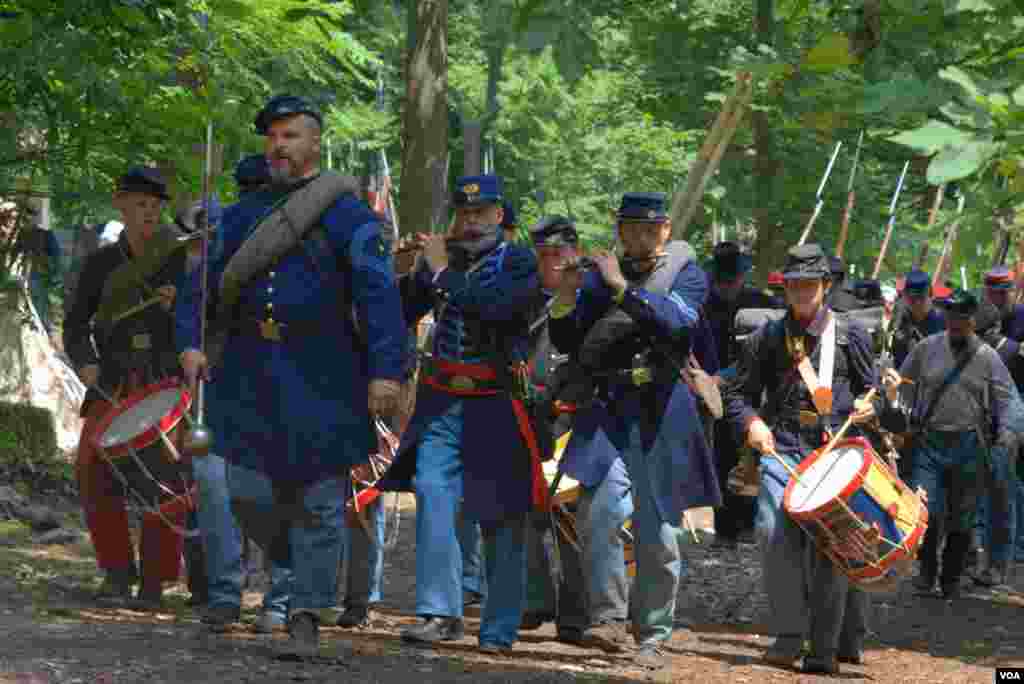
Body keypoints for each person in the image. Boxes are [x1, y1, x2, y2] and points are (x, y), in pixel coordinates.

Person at [177, 95, 409, 658]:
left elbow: (378, 295)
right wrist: (189, 342)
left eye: (290, 137)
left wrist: (386, 371)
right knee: (246, 490)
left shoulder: (349, 217)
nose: (278, 147)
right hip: (251, 373)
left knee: (321, 501)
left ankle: (306, 613)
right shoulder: (243, 214)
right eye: (272, 137)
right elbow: (199, 283)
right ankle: (299, 564)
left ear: (313, 143)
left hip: (325, 375)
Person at [548, 192, 721, 669]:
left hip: (662, 409)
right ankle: (607, 620)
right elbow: (572, 340)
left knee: (657, 529)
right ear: (618, 228)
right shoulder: (602, 275)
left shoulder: (685, 274)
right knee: (597, 513)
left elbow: (678, 328)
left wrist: (623, 288)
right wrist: (566, 295)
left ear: (665, 230)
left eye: (651, 229)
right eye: (632, 228)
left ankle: (653, 633)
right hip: (609, 408)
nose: (642, 237)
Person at [379, 174, 542, 653]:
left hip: (496, 402)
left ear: (498, 215)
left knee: (501, 516)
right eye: (464, 214)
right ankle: (439, 612)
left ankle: (499, 627)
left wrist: (441, 273)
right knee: (431, 494)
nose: (471, 223)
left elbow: (497, 309)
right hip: (441, 401)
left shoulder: (519, 261)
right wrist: (407, 273)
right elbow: (398, 315)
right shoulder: (441, 260)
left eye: (481, 214)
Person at [722, 243, 888, 675]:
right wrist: (752, 424)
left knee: (832, 547)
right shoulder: (768, 337)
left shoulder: (851, 335)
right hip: (784, 446)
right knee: (771, 529)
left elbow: (877, 392)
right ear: (785, 288)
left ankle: (824, 647)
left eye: (809, 284)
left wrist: (874, 407)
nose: (801, 292)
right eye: (794, 284)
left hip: (835, 450)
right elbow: (736, 394)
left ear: (825, 286)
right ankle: (788, 635)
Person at [64, 166, 190, 610]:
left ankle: (154, 582)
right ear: (120, 204)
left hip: (165, 378)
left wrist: (182, 307)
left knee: (167, 477)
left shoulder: (182, 259)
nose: (150, 213)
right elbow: (76, 326)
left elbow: (205, 319)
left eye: (156, 206)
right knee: (90, 469)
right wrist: (88, 367)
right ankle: (117, 572)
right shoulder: (99, 263)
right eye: (141, 204)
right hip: (113, 380)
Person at [185, 154, 293, 634]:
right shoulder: (222, 241)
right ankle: (225, 593)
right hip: (226, 381)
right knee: (211, 483)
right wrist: (190, 345)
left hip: (292, 384)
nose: (256, 202)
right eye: (248, 191)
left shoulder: (305, 239)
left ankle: (283, 595)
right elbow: (192, 299)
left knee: (282, 491)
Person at [518, 215, 633, 649]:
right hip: (531, 412)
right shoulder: (524, 298)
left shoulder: (596, 294)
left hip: (576, 413)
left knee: (573, 517)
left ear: (575, 251)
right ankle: (535, 600)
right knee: (526, 512)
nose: (553, 262)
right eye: (544, 255)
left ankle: (577, 614)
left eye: (560, 253)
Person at [882, 289, 1017, 600]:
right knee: (927, 511)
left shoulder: (987, 357)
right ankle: (926, 572)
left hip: (970, 444)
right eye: (952, 316)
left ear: (973, 319)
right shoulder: (926, 349)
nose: (957, 323)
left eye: (963, 317)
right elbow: (901, 387)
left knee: (963, 516)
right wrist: (894, 411)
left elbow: (1009, 399)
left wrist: (1008, 434)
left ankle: (951, 578)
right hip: (929, 442)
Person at [705, 241, 778, 549]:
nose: (729, 286)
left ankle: (750, 521)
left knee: (755, 453)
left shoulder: (760, 302)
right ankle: (725, 528)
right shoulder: (703, 305)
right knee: (720, 457)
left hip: (754, 389)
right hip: (714, 389)